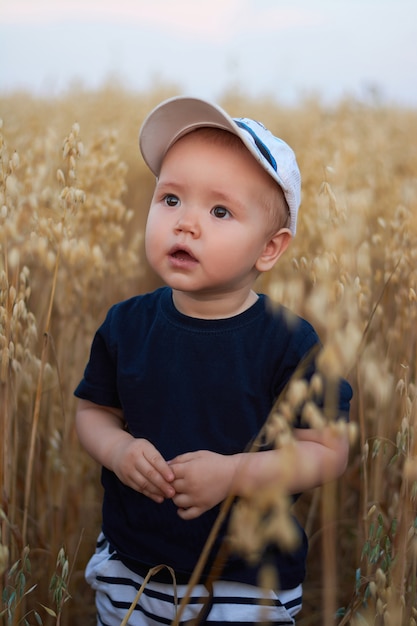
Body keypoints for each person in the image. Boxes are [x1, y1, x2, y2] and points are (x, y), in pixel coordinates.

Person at [74, 96, 353, 625]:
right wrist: (119, 450)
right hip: (133, 570)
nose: (186, 224)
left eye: (219, 211)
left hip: (247, 580)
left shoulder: (290, 343)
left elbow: (328, 451)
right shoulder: (126, 325)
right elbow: (93, 414)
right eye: (171, 199)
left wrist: (233, 476)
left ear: (269, 249)